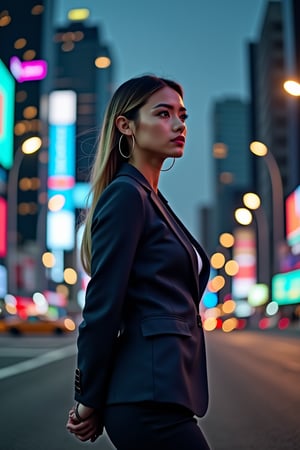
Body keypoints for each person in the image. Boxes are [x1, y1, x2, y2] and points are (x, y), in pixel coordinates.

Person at [66, 74, 211, 449]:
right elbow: (102, 308)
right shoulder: (127, 196)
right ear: (125, 125)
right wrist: (88, 399)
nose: (179, 125)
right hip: (146, 398)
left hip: (164, 391)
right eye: (163, 114)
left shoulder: (152, 200)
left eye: (183, 115)